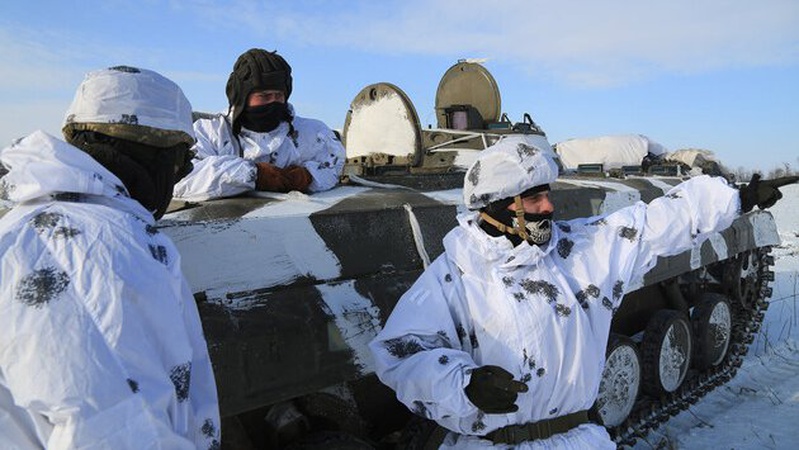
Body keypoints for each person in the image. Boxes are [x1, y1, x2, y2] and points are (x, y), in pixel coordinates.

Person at [368, 137, 796, 449]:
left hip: (577, 440)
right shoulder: (457, 275)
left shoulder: (577, 252)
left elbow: (655, 224)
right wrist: (461, 385)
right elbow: (401, 352)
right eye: (533, 199)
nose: (548, 207)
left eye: (546, 195)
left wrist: (736, 198)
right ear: (498, 206)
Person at [0, 66, 220, 449]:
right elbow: (116, 433)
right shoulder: (95, 248)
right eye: (180, 164)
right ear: (155, 153)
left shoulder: (34, 220)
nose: (179, 177)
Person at [173, 48, 345, 201]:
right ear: (241, 97)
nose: (273, 102)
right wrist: (253, 174)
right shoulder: (209, 132)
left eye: (279, 95)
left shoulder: (312, 133)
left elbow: (333, 165)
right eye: (264, 96)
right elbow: (182, 179)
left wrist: (309, 176)